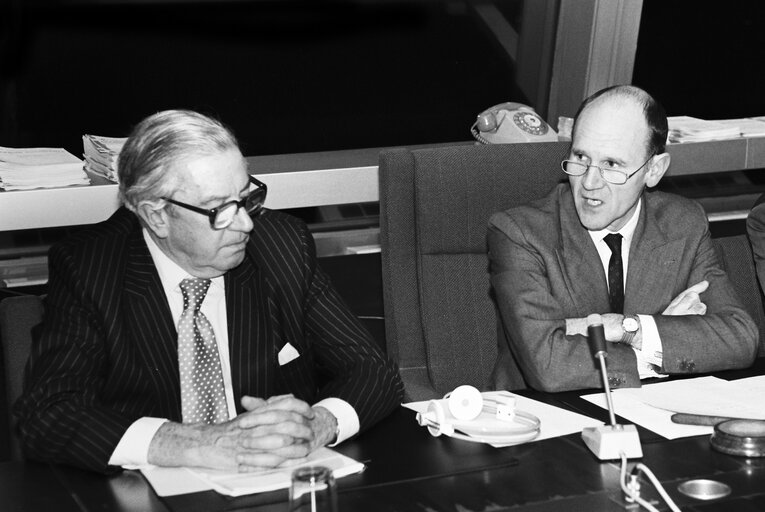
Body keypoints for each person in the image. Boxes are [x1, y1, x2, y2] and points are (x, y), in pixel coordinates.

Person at [15, 110, 404, 474]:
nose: (246, 223)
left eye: (246, 196)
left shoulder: (282, 246)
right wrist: (200, 443)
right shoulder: (91, 268)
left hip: (276, 484)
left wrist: (315, 426)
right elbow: (49, 413)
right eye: (219, 208)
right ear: (156, 216)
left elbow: (373, 372)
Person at [488, 85, 758, 393]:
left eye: (611, 165)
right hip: (543, 422)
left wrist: (627, 328)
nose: (589, 183)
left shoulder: (683, 223)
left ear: (654, 170)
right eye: (580, 156)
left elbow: (739, 339)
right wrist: (656, 341)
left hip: (651, 418)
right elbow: (548, 366)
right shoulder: (520, 233)